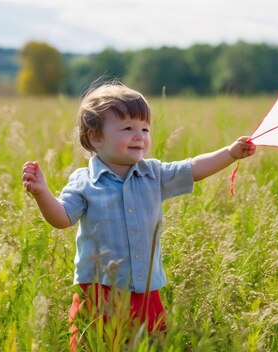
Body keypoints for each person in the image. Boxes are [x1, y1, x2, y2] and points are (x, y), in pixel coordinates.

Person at [21, 83, 256, 347]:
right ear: (96, 137)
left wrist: (230, 153)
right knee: (99, 345)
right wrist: (42, 193)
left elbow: (193, 168)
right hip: (101, 292)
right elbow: (62, 218)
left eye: (145, 129)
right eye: (128, 129)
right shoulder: (85, 181)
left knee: (150, 344)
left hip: (146, 293)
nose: (139, 136)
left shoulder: (154, 174)